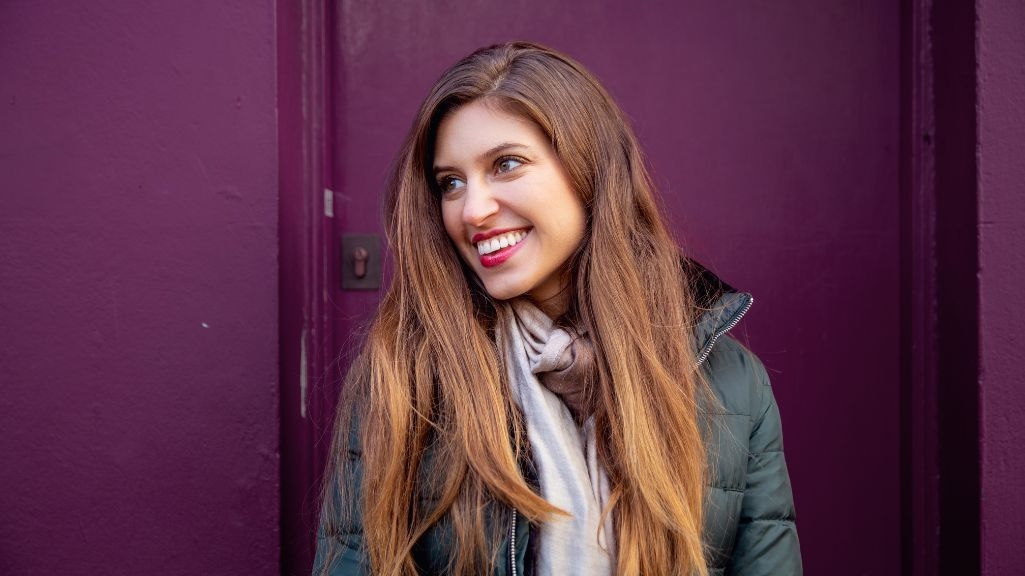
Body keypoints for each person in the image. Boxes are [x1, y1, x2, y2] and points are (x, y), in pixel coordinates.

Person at [314, 42, 801, 576]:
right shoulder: (406, 376)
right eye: (450, 182)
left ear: (588, 171)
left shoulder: (732, 385)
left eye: (506, 164)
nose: (472, 210)